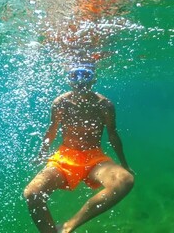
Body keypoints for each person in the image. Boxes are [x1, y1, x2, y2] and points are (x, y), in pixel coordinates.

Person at [23, 63, 134, 233]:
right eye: (75, 76)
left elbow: (113, 135)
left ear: (94, 78)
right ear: (69, 80)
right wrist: (41, 154)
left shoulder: (104, 105)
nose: (80, 81)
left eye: (86, 75)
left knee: (125, 180)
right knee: (32, 193)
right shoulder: (60, 102)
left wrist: (124, 164)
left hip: (94, 158)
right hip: (64, 157)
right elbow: (51, 130)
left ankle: (69, 226)